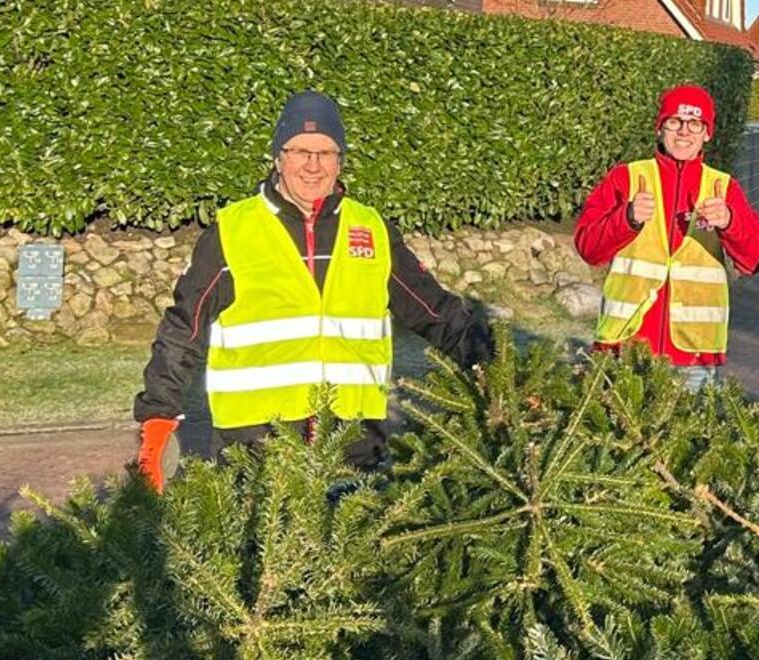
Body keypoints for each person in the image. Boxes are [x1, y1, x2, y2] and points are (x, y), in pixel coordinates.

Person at [132, 91, 492, 489]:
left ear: (340, 162)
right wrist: (157, 416)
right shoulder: (233, 232)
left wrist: (494, 365)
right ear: (278, 156)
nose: (313, 165)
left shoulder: (371, 230)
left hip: (352, 443)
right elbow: (184, 328)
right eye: (301, 151)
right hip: (255, 447)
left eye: (326, 153)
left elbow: (436, 311)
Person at [574, 84, 759, 389]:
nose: (684, 131)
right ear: (660, 128)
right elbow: (588, 248)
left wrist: (730, 222)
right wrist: (627, 218)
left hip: (694, 359)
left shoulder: (723, 187)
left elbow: (755, 259)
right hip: (624, 347)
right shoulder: (627, 178)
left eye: (695, 123)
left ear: (707, 133)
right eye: (675, 121)